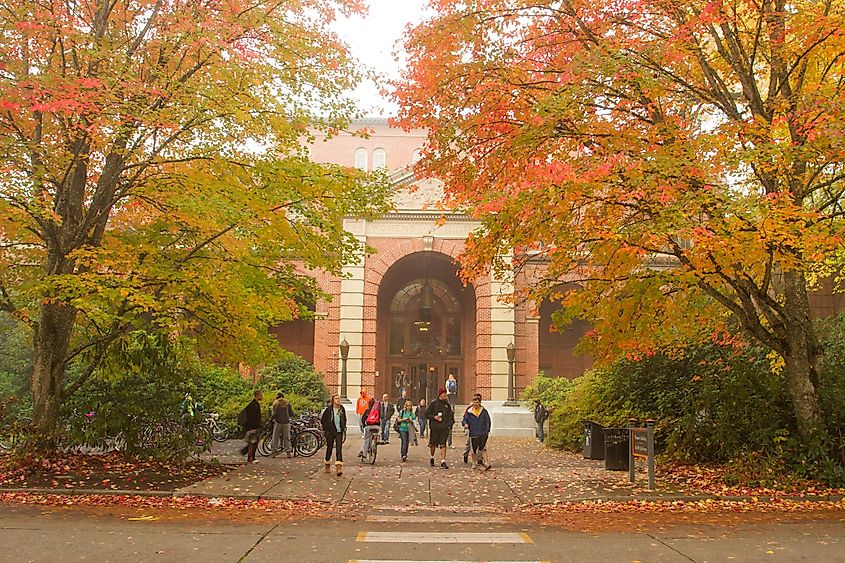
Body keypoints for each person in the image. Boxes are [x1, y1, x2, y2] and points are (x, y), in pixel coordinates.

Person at [426, 387, 455, 469]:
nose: (445, 395)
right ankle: (432, 457)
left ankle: (443, 460)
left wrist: (450, 424)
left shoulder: (447, 405)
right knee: (433, 444)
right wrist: (434, 417)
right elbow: (427, 414)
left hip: (444, 428)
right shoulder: (434, 403)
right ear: (440, 394)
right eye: (443, 393)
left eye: (445, 393)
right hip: (435, 427)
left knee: (443, 444)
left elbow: (450, 415)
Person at [462, 394, 492, 470]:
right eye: (474, 402)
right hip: (473, 433)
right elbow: (465, 419)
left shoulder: (484, 411)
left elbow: (487, 421)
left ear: (480, 403)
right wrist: (465, 424)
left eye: (477, 402)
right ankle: (473, 463)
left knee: (483, 448)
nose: (475, 404)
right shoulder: (469, 411)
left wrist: (486, 431)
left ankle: (486, 463)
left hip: (482, 432)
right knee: (473, 449)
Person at [321, 394, 347, 476]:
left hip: (339, 431)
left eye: (339, 398)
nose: (338, 400)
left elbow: (344, 418)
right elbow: (323, 420)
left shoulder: (342, 409)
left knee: (339, 448)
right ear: (333, 400)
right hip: (330, 432)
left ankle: (339, 467)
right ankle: (327, 464)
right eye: (336, 399)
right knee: (329, 447)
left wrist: (344, 428)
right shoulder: (329, 410)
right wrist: (328, 428)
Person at [271, 393, 295, 457]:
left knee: (275, 437)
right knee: (287, 438)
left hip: (278, 422)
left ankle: (274, 452)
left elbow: (273, 414)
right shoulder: (287, 403)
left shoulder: (275, 404)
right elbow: (291, 413)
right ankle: (288, 452)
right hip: (286, 422)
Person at [243, 390, 263, 463]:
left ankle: (251, 457)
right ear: (257, 395)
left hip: (254, 427)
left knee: (253, 442)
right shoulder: (254, 405)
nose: (262, 396)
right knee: (253, 443)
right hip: (253, 427)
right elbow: (253, 418)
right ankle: (251, 458)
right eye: (261, 395)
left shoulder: (253, 404)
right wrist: (253, 428)